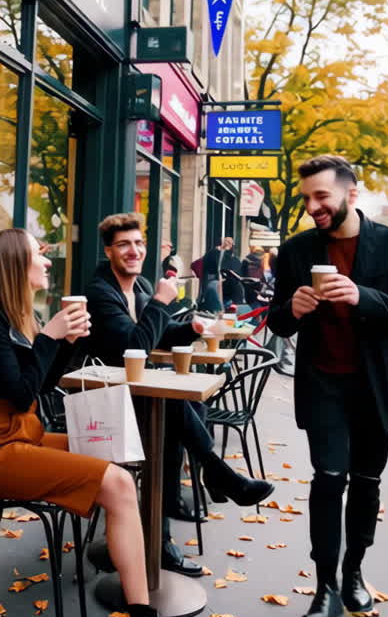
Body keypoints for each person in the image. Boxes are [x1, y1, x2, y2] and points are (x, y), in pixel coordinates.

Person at [0, 227, 194, 617]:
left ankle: (120, 553)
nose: (47, 262)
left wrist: (67, 344)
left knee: (117, 453)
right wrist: (49, 337)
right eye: (38, 255)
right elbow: (19, 392)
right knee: (118, 482)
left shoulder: (12, 316)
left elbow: (40, 387)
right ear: (13, 265)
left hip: (24, 436)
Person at [268, 155, 388, 617]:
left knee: (365, 481)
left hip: (376, 384)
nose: (313, 206)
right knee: (328, 477)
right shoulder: (296, 249)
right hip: (323, 383)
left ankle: (354, 570)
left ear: (350, 194)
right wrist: (292, 309)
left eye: (322, 197)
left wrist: (362, 297)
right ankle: (324, 587)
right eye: (307, 199)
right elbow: (276, 319)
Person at [84, 214, 274, 555]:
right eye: (124, 245)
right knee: (172, 408)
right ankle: (206, 481)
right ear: (108, 251)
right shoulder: (101, 293)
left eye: (139, 243)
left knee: (175, 410)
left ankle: (165, 530)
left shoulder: (139, 287)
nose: (134, 251)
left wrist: (194, 329)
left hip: (133, 397)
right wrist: (160, 303)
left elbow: (160, 333)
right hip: (99, 408)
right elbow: (135, 347)